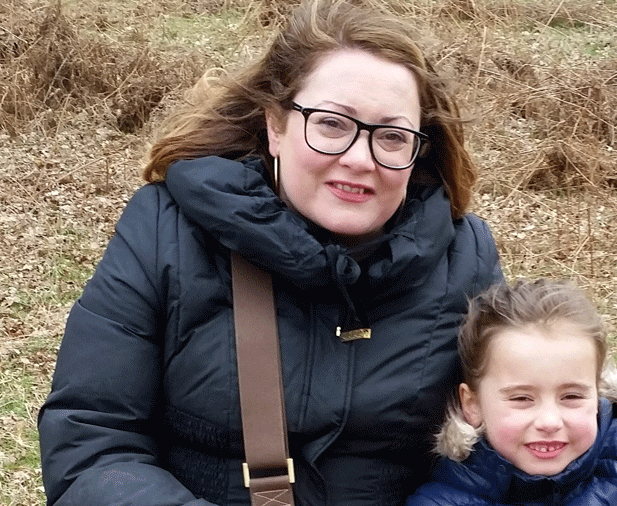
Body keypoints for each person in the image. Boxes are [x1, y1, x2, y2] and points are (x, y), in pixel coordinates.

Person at [36, 0, 502, 504]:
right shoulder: (167, 230)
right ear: (276, 126)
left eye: (391, 136)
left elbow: (520, 433)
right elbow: (92, 439)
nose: (360, 159)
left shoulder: (465, 257)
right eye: (331, 124)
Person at [406, 279, 617, 506]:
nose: (549, 421)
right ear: (472, 405)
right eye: (522, 398)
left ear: (597, 395)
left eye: (572, 397)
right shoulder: (444, 500)